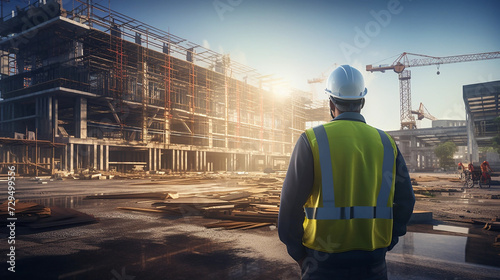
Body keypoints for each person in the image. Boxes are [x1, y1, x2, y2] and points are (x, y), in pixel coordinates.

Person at [278, 65, 415, 280]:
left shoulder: (311, 140)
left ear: (331, 102)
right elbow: (406, 201)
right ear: (362, 102)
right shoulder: (386, 143)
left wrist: (300, 255)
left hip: (322, 263)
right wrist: (388, 241)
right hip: (374, 262)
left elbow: (288, 207)